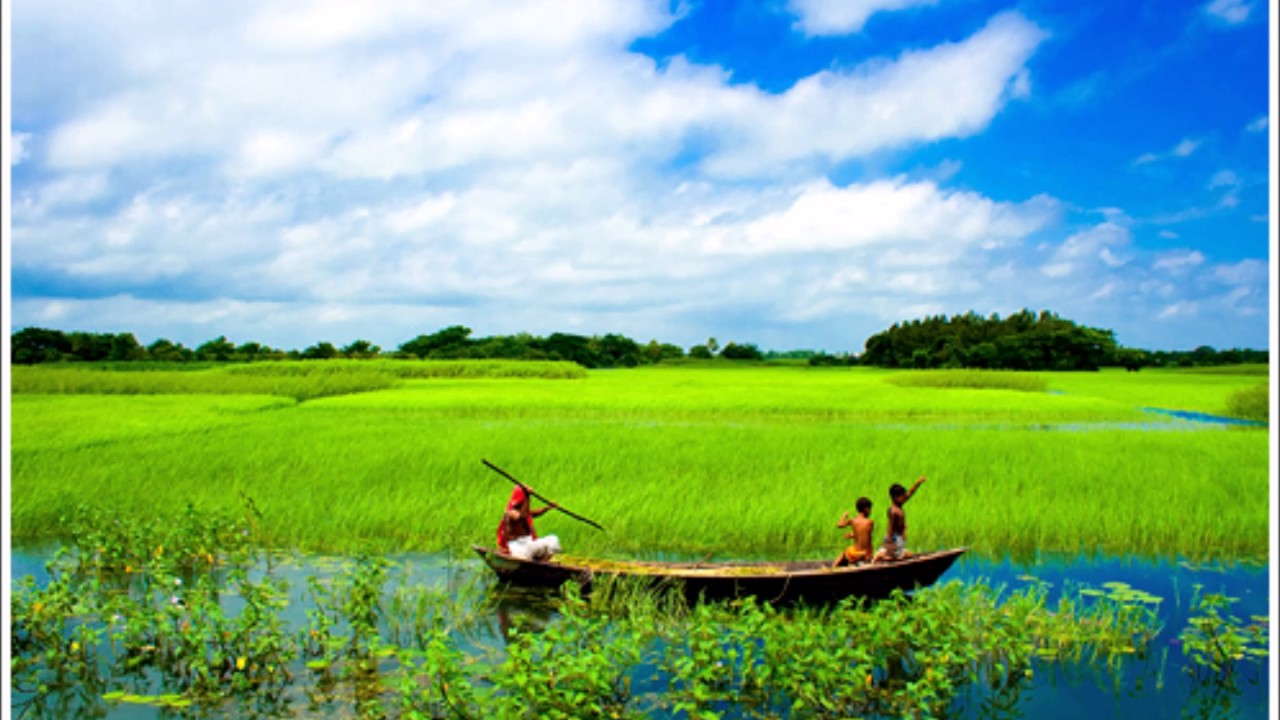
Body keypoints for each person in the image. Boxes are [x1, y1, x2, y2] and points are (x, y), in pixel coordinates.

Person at [496, 486, 562, 561]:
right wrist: (527, 496)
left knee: (553, 539)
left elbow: (536, 513)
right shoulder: (511, 513)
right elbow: (522, 516)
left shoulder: (520, 511)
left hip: (526, 547)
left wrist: (548, 507)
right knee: (551, 542)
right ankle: (540, 561)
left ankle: (541, 561)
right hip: (521, 550)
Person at [874, 476, 926, 563]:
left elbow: (910, 493)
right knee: (903, 556)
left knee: (904, 555)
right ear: (894, 497)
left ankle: (883, 554)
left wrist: (918, 483)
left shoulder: (899, 505)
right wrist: (889, 542)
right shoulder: (893, 511)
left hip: (898, 538)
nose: (904, 497)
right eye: (902, 496)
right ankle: (881, 555)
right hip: (894, 538)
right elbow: (890, 528)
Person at [833, 496, 875, 568]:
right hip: (867, 554)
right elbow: (866, 536)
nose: (870, 511)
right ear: (866, 509)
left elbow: (839, 525)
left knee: (843, 554)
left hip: (857, 554)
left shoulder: (853, 520)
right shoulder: (870, 522)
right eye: (870, 509)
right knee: (850, 550)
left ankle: (833, 569)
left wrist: (844, 516)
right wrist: (853, 535)